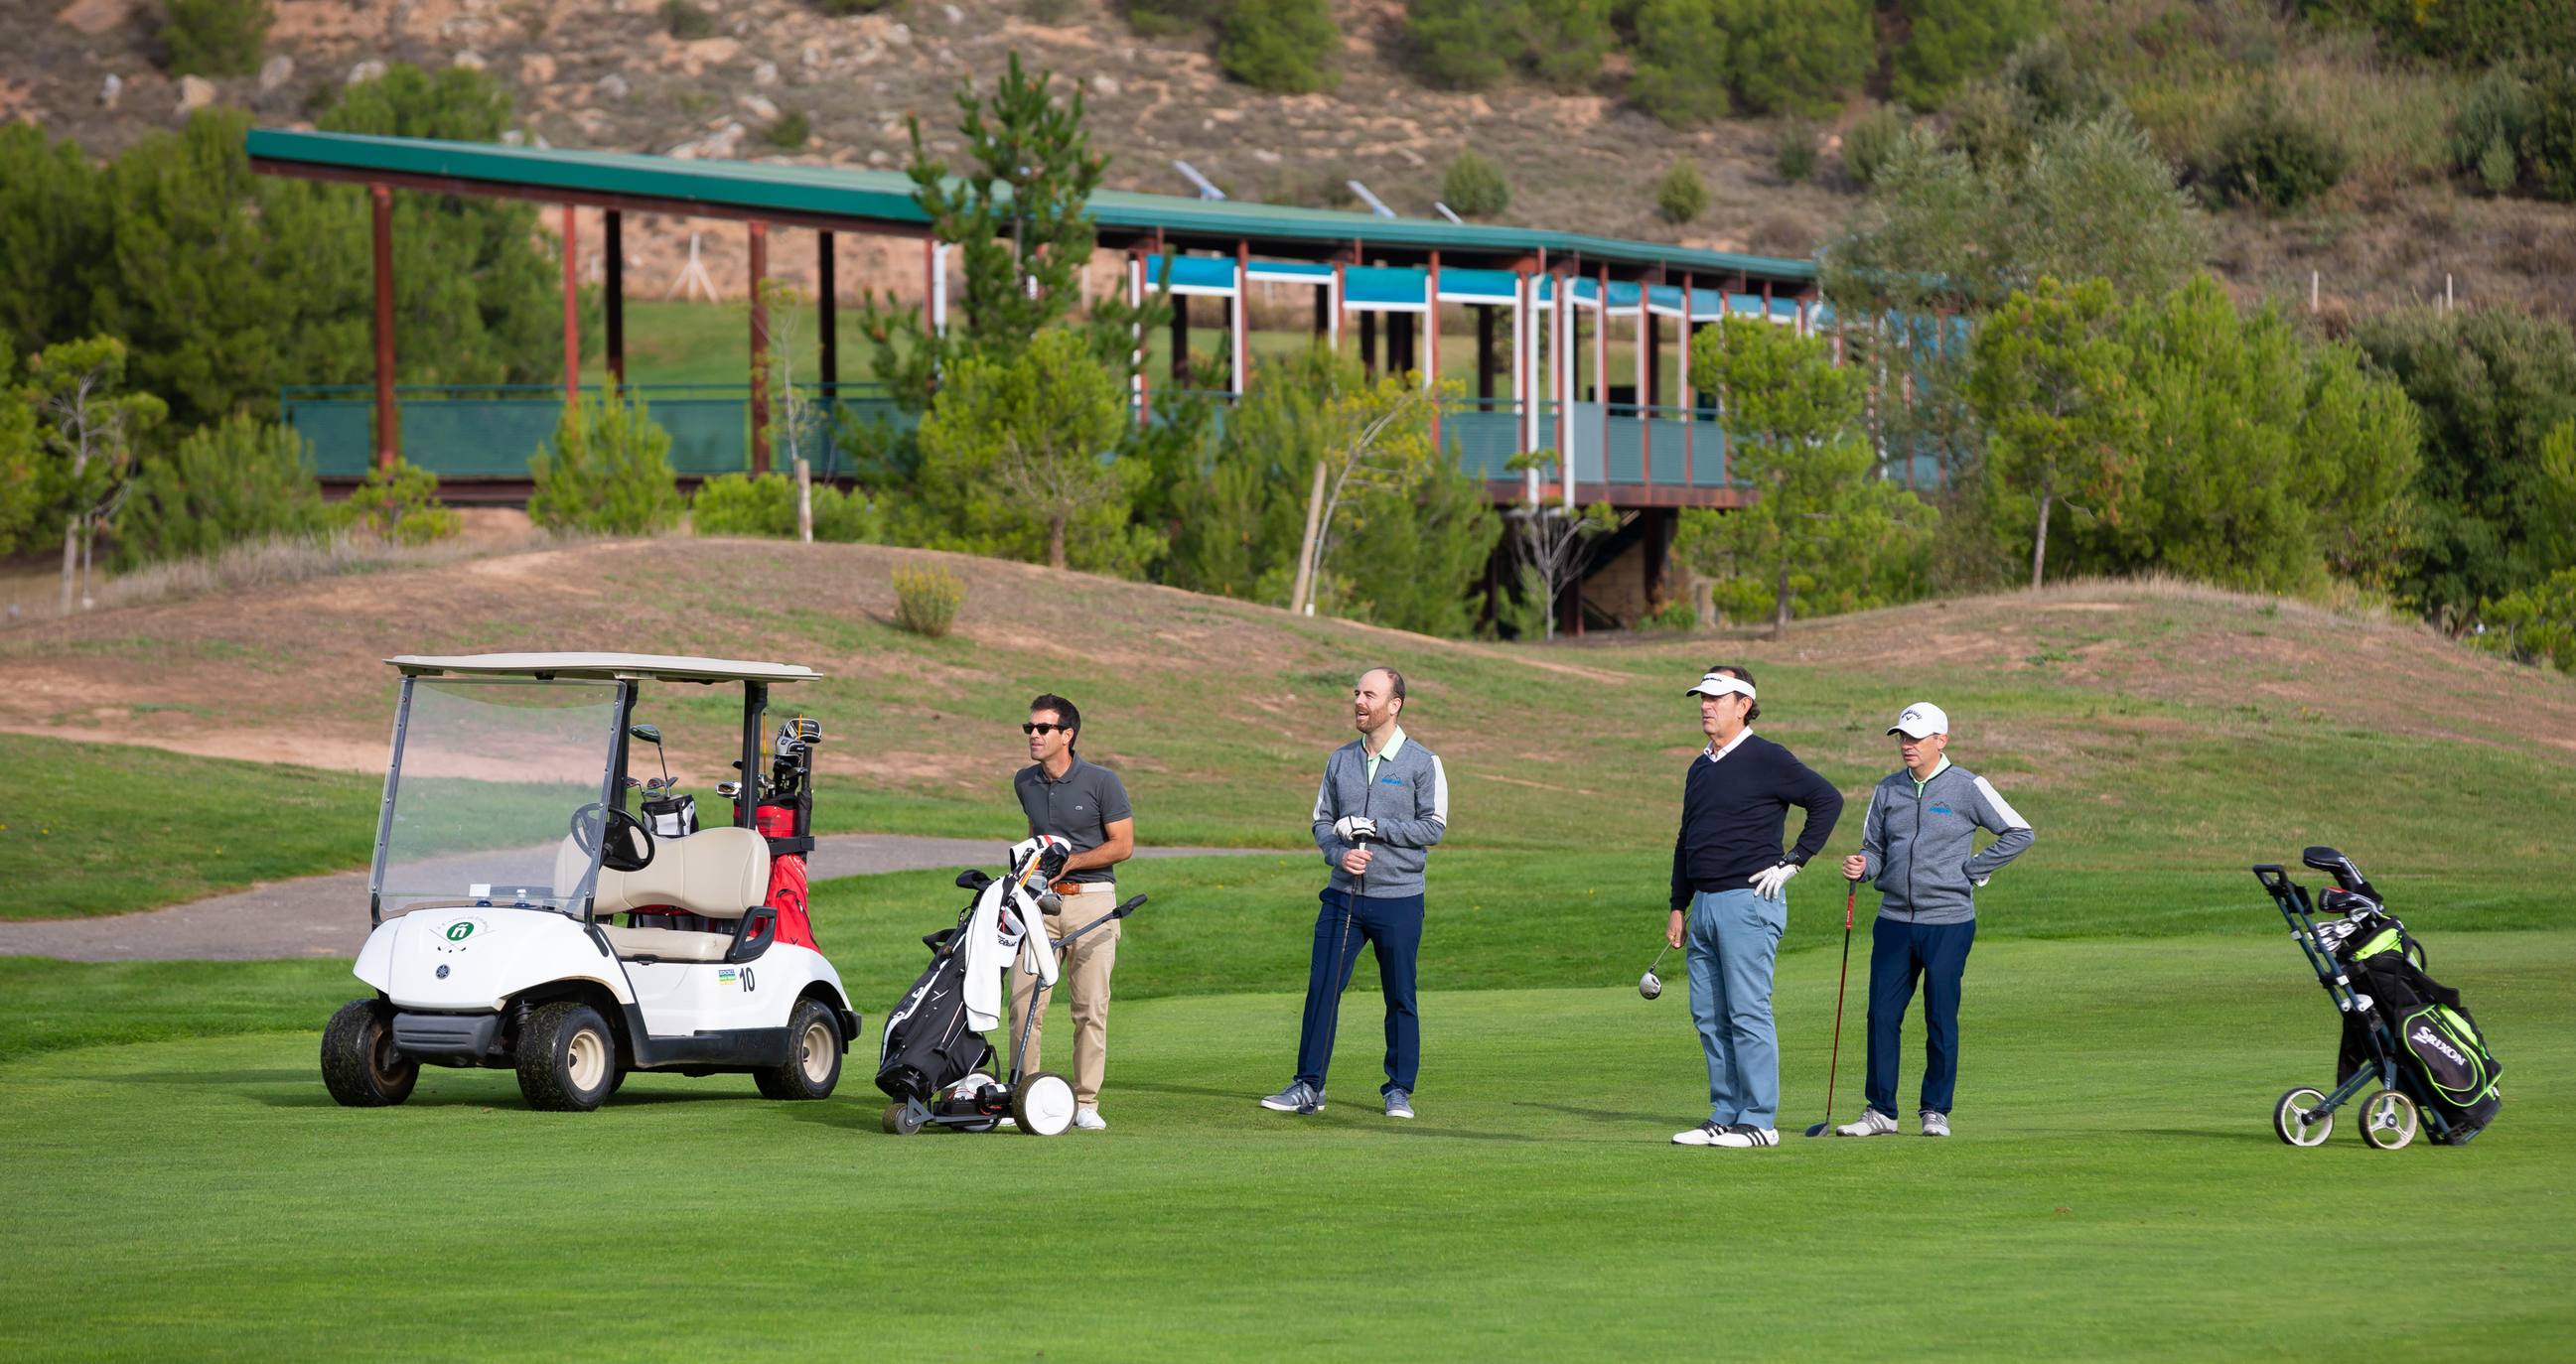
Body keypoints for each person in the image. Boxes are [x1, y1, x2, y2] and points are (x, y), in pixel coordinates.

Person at [1834, 702, 2034, 1139]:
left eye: (1916, 738)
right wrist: (1862, 866)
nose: (1907, 746)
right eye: (1902, 738)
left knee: (1940, 1016)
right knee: (1881, 1016)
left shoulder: (1967, 786)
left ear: (1941, 740)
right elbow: (1874, 848)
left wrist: (1975, 868)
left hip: (1948, 922)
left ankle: (1935, 1110)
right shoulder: (1888, 789)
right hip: (1893, 920)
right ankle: (1881, 1111)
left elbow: (2020, 832)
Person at [1665, 665, 1844, 1150]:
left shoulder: (1768, 757)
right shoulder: (1700, 766)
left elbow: (1827, 799)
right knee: (1709, 1015)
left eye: (1716, 698)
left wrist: (1794, 862)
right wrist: (1679, 904)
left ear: (1744, 705)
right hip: (1704, 905)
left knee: (1747, 1013)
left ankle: (1760, 1120)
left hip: (1749, 901)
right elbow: (1687, 839)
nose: (1705, 705)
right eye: (1702, 697)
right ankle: (1725, 1112)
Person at [1261, 667, 1449, 1121]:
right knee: (1323, 989)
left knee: (1400, 995)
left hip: (1399, 898)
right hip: (1344, 896)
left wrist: (1378, 829)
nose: (1359, 702)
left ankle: (1399, 1090)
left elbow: (1434, 827)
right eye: (1356, 694)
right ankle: (1309, 1086)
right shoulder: (1340, 760)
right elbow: (1321, 822)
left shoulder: (1423, 762)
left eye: (1370, 694)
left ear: (1395, 704)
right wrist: (1337, 855)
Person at [1009, 692, 1134, 1133]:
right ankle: (1025, 1098)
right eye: (1030, 728)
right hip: (1038, 904)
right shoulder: (1024, 781)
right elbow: (1034, 836)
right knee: (1024, 1004)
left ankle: (1085, 1102)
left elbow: (1124, 845)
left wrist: (1075, 859)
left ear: (1067, 735)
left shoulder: (1102, 782)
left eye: (1043, 728)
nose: (1033, 736)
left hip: (1092, 900)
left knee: (1089, 1008)